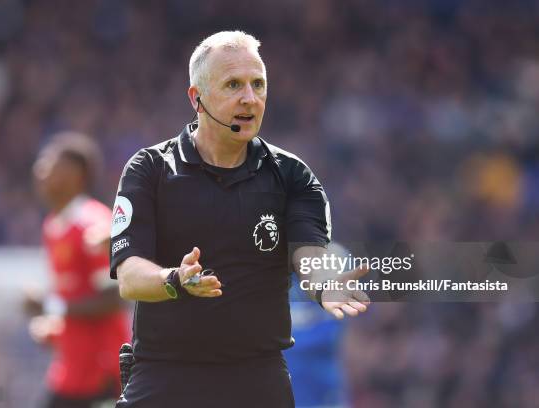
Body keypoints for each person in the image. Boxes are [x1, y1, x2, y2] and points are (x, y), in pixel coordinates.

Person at [110, 31, 370, 407]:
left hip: (257, 378)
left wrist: (322, 283)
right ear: (196, 98)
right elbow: (130, 277)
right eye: (233, 85)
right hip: (165, 375)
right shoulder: (149, 169)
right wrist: (175, 280)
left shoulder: (293, 176)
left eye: (258, 84)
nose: (250, 98)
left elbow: (308, 250)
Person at [25, 131, 130, 408]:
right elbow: (76, 297)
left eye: (49, 164)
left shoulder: (93, 226)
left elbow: (114, 299)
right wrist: (56, 328)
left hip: (100, 373)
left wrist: (52, 307)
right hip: (70, 370)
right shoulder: (53, 226)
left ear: (75, 174)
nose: (40, 171)